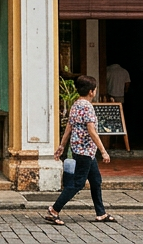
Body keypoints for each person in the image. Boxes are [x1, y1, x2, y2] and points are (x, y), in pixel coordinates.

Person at [45, 74, 115, 225]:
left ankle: (101, 213)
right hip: (86, 151)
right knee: (78, 183)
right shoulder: (87, 107)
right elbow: (91, 130)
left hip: (81, 150)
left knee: (96, 180)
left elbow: (69, 127)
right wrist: (103, 150)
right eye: (94, 90)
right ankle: (54, 210)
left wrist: (62, 146)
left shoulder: (76, 104)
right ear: (91, 91)